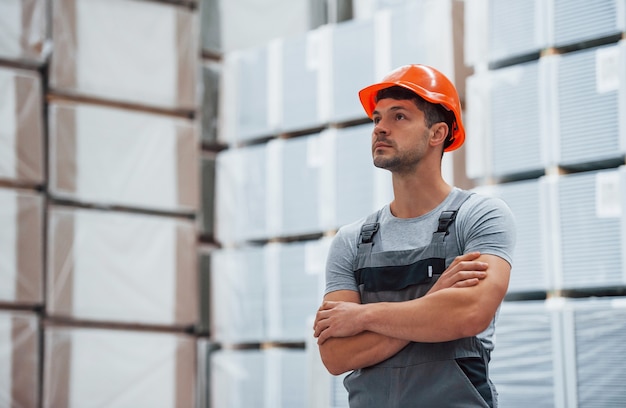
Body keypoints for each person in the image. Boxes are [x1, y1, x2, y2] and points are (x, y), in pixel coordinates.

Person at [313, 64, 516, 407]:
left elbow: (469, 313)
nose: (380, 128)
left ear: (437, 133)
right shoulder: (351, 241)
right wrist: (433, 303)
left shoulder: (480, 216)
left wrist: (361, 317)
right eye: (377, 118)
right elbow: (335, 354)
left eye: (399, 117)